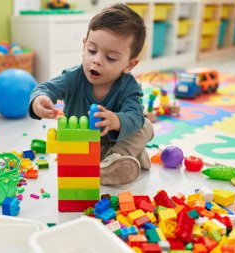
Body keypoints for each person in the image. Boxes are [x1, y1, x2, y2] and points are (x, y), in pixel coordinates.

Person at [28, 3, 154, 185]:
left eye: (110, 58)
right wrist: (39, 100)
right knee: (136, 135)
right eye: (92, 50)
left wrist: (115, 120)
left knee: (146, 125)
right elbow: (45, 88)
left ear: (129, 65)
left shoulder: (129, 87)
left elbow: (135, 116)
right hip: (80, 145)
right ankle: (125, 159)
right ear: (84, 44)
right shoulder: (73, 77)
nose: (96, 61)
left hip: (111, 144)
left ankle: (115, 161)